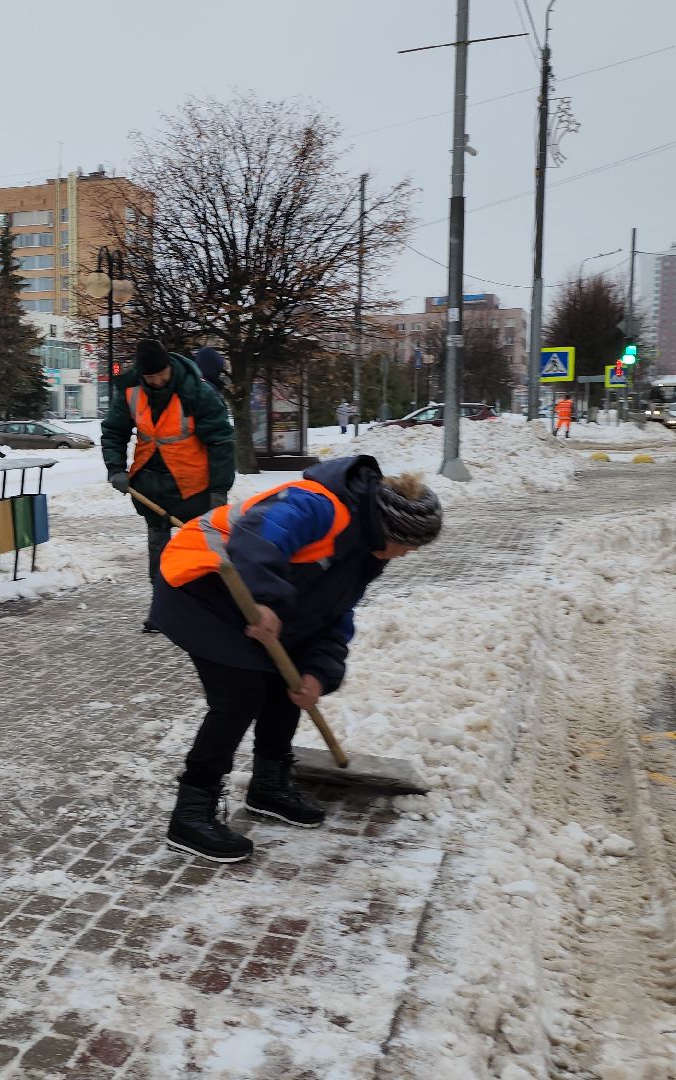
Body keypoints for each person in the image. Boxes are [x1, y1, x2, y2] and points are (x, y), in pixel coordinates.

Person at [153, 458, 443, 862]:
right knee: (241, 695)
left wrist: (319, 673)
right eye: (408, 546)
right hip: (202, 584)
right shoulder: (317, 504)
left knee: (287, 684)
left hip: (247, 593)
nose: (408, 554)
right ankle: (191, 812)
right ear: (389, 530)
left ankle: (268, 785)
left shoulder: (367, 555)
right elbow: (258, 537)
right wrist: (265, 599)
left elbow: (335, 613)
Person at [102, 340, 236, 633]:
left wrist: (218, 489)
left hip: (194, 486)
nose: (157, 381)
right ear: (142, 374)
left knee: (205, 548)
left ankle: (217, 606)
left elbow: (221, 441)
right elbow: (114, 431)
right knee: (159, 551)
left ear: (169, 367)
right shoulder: (131, 391)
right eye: (150, 377)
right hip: (151, 486)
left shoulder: (197, 391)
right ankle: (163, 610)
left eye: (161, 375)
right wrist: (116, 468)